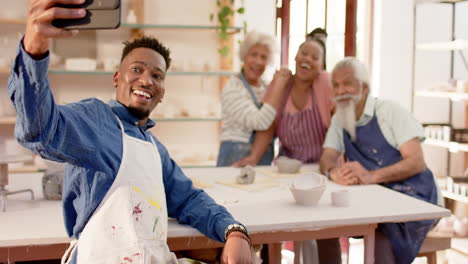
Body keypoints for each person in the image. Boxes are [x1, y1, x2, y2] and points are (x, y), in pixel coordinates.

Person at [8, 1, 252, 263]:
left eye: (157, 75)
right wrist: (34, 50)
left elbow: (189, 200)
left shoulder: (154, 149)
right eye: (137, 69)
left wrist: (234, 231)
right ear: (117, 78)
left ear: (162, 93)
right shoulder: (96, 121)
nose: (147, 80)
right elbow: (41, 129)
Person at [320, 57, 439, 264]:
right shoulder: (340, 118)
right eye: (336, 85)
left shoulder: (390, 111)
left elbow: (416, 162)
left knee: (381, 240)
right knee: (324, 226)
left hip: (415, 195)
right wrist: (334, 172)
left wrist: (370, 176)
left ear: (364, 88)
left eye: (347, 83)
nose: (340, 91)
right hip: (375, 196)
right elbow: (327, 157)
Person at [234, 38, 339, 264]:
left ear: (321, 66)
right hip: (287, 170)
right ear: (295, 56)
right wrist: (253, 157)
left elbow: (338, 127)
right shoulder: (281, 85)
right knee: (274, 222)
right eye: (303, 53)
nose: (307, 59)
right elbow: (268, 126)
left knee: (327, 226)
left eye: (314, 57)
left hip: (319, 169)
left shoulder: (325, 84)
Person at [217, 30, 291, 167]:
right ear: (244, 56)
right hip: (236, 154)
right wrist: (278, 87)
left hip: (264, 156)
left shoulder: (265, 86)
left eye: (263, 57)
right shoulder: (233, 88)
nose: (258, 61)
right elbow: (260, 122)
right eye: (254, 55)